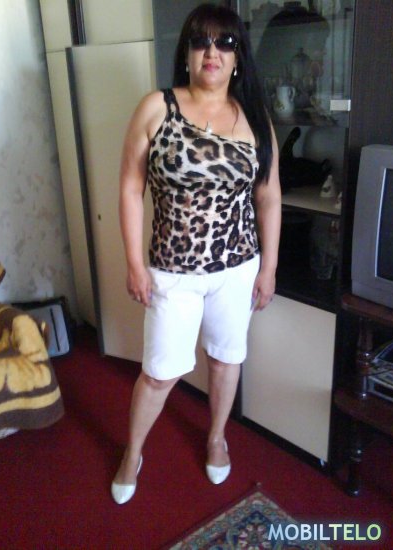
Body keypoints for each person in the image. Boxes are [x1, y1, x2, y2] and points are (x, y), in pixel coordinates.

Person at [112, 3, 281, 504]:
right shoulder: (156, 107)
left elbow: (269, 197)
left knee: (225, 361)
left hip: (238, 267)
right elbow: (130, 188)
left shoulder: (255, 119)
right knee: (160, 372)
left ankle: (216, 438)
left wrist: (269, 267)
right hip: (173, 271)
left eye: (225, 42)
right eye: (201, 41)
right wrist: (134, 263)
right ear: (186, 53)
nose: (213, 51)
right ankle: (132, 452)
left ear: (238, 57)